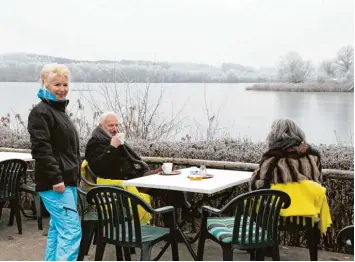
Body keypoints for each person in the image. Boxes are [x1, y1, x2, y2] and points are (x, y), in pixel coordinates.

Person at [84, 112, 191, 225]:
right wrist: (112, 147)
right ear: (100, 126)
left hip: (135, 178)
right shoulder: (95, 143)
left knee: (167, 180)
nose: (115, 128)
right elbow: (100, 168)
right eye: (111, 125)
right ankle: (184, 211)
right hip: (122, 185)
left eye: (116, 125)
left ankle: (174, 227)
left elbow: (131, 160)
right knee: (164, 183)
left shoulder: (114, 139)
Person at [27, 63, 82, 261]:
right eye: (57, 84)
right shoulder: (41, 112)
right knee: (71, 231)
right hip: (56, 183)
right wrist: (56, 178)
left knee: (58, 230)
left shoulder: (58, 111)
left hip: (66, 181)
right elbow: (42, 150)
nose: (62, 89)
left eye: (65, 84)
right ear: (45, 85)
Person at [250, 118, 322, 190]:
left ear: (273, 136)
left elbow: (258, 188)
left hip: (281, 200)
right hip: (309, 200)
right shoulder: (313, 156)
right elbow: (319, 182)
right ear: (298, 133)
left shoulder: (272, 160)